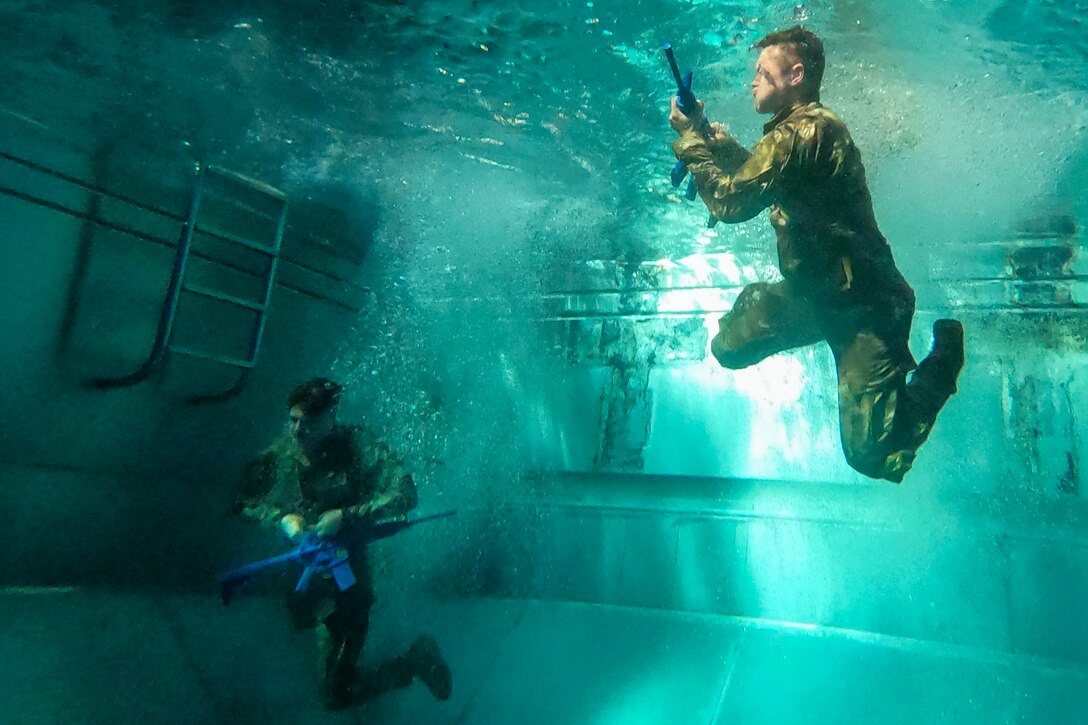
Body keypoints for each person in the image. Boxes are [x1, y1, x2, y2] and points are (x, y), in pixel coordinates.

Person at [668, 26, 964, 482]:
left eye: (763, 72)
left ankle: (946, 360)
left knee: (871, 456)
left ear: (796, 75)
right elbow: (769, 180)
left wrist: (692, 140)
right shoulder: (798, 133)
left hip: (866, 308)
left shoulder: (808, 131)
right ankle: (760, 301)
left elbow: (731, 201)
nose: (753, 81)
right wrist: (718, 145)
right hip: (814, 296)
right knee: (727, 348)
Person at [234, 377, 452, 709]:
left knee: (336, 693)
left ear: (330, 416)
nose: (296, 432)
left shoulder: (358, 446)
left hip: (346, 581)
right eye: (292, 421)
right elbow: (243, 500)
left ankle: (415, 660)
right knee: (329, 684)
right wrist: (280, 518)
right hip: (301, 581)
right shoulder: (282, 452)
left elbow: (406, 494)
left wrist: (348, 515)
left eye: (307, 423)